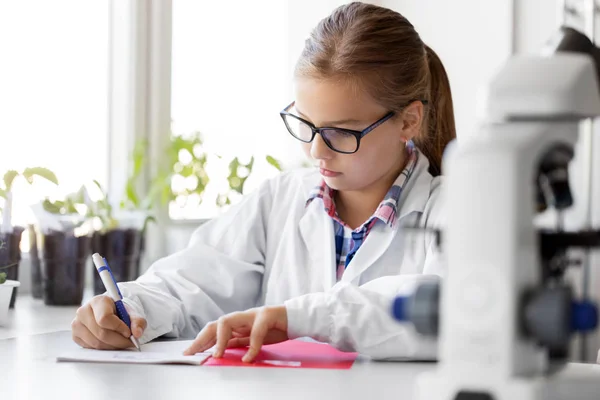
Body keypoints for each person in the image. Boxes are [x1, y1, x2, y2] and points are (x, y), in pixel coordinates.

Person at [71, 2, 455, 362]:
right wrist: (131, 308)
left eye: (341, 132)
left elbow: (444, 308)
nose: (317, 151)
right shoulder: (279, 200)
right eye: (306, 124)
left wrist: (299, 317)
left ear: (408, 120)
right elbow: (192, 282)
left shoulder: (454, 208)